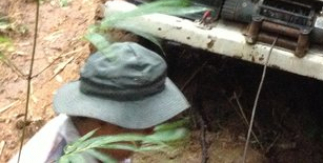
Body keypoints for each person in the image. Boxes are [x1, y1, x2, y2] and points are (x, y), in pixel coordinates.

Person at [9, 42, 190, 163]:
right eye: (142, 122)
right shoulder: (59, 157)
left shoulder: (104, 145)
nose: (151, 131)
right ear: (103, 119)